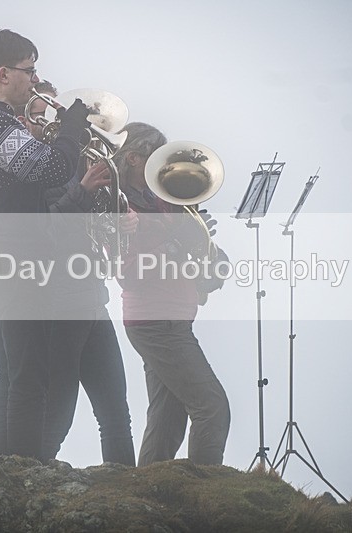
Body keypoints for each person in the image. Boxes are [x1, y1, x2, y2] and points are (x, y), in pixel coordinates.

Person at [0, 29, 91, 461]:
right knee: (28, 377)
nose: (35, 79)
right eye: (30, 70)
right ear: (3, 73)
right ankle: (22, 478)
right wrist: (72, 133)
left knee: (11, 373)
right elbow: (49, 168)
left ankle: (5, 476)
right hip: (16, 260)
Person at [14, 81, 136, 465]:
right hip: (59, 303)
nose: (40, 124)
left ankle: (127, 497)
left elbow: (95, 230)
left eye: (42, 118)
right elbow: (48, 233)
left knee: (116, 410)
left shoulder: (77, 162)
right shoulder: (33, 176)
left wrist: (121, 220)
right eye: (35, 119)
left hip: (91, 299)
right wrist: (81, 191)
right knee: (58, 414)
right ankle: (28, 485)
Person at [114, 122, 231, 466]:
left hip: (169, 319)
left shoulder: (162, 200)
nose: (164, 167)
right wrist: (182, 240)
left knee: (167, 420)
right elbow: (130, 274)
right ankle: (206, 499)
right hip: (156, 321)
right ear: (134, 159)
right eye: (155, 156)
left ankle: (146, 499)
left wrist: (209, 251)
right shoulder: (123, 206)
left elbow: (184, 256)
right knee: (212, 408)